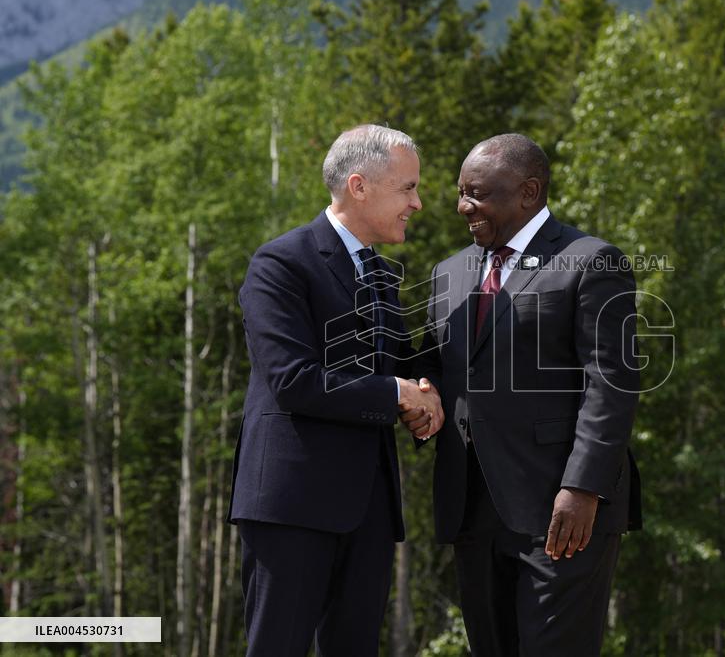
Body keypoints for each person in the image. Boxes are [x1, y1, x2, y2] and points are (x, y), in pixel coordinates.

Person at [403, 133, 642, 656]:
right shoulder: (449, 271)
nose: (462, 205)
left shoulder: (591, 261)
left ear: (528, 192)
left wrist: (583, 489)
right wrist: (422, 389)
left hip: (561, 512)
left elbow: (612, 384)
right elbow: (433, 360)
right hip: (471, 507)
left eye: (476, 193)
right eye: (460, 192)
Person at [228, 124, 443, 656]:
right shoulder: (280, 264)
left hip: (367, 508)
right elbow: (294, 381)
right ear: (359, 186)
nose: (418, 203)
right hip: (291, 505)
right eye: (408, 188)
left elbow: (400, 364)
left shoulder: (384, 277)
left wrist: (426, 390)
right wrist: (397, 394)